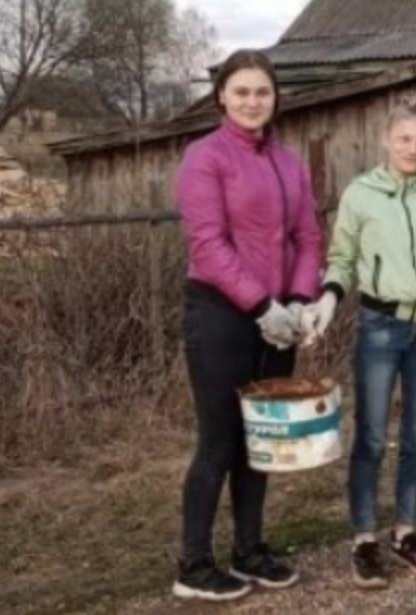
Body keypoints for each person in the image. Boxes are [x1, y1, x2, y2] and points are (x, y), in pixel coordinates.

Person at [298, 90, 416, 590]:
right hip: (380, 327)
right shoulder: (360, 194)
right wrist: (330, 298)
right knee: (373, 436)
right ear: (386, 139)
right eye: (404, 138)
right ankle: (363, 539)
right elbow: (342, 259)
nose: (413, 148)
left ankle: (405, 533)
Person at [171, 49, 323, 602]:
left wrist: (302, 301)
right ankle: (192, 563)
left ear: (275, 97)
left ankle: (251, 550)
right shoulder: (204, 157)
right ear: (221, 99)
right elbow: (208, 246)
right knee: (219, 441)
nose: (253, 102)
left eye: (262, 92)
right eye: (241, 92)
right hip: (220, 315)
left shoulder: (289, 161)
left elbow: (307, 237)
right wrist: (262, 307)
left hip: (280, 319)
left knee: (263, 439)